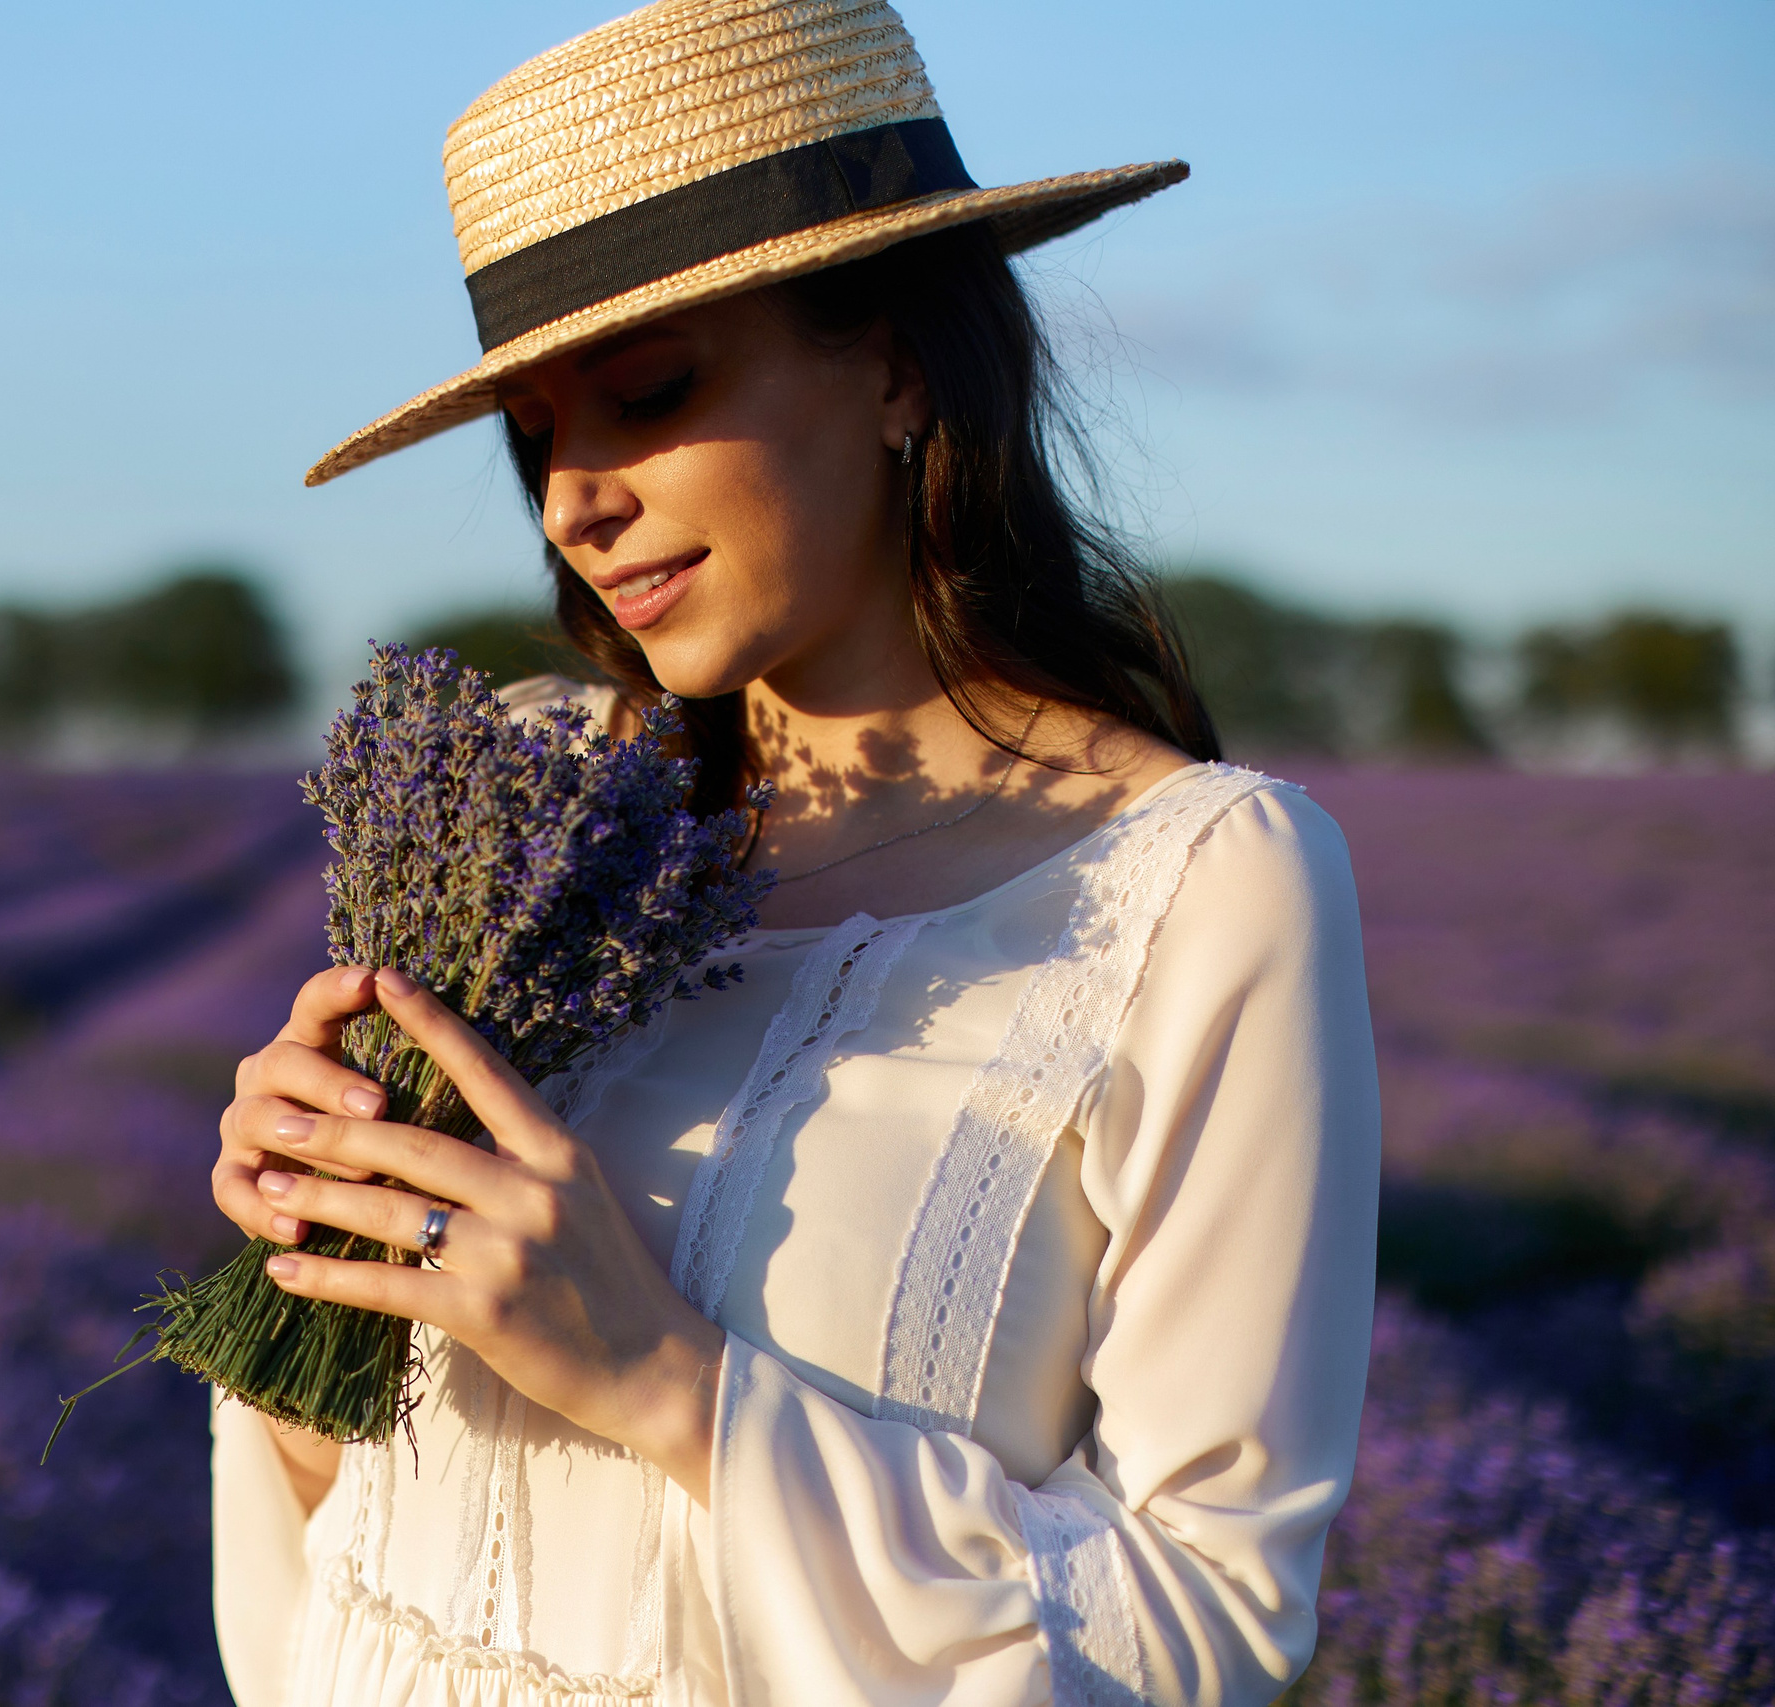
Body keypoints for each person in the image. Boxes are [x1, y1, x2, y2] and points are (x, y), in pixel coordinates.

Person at [205, 2, 1381, 1702]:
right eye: (539, 433)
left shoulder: (1202, 887)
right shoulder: (532, 809)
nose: (570, 502)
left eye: (650, 393)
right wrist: (313, 1273)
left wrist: (671, 1382)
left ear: (899, 361)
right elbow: (352, 1549)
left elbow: (1203, 1633)